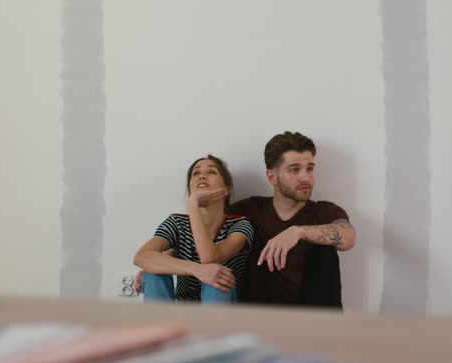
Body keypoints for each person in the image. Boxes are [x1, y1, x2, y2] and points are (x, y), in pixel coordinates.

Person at [229, 131, 356, 308]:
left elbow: (348, 238)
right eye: (294, 169)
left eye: (309, 169)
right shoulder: (250, 209)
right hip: (258, 317)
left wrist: (299, 231)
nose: (306, 177)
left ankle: (326, 332)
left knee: (323, 251)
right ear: (272, 177)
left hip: (309, 320)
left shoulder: (323, 211)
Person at [132, 155, 254, 303]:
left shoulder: (240, 225)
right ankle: (161, 326)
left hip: (221, 309)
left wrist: (193, 205)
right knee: (153, 273)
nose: (202, 176)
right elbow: (141, 257)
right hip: (182, 310)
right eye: (196, 173)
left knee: (217, 277)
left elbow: (209, 258)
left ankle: (212, 327)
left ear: (227, 189)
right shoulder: (177, 222)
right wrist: (194, 269)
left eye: (212, 172)